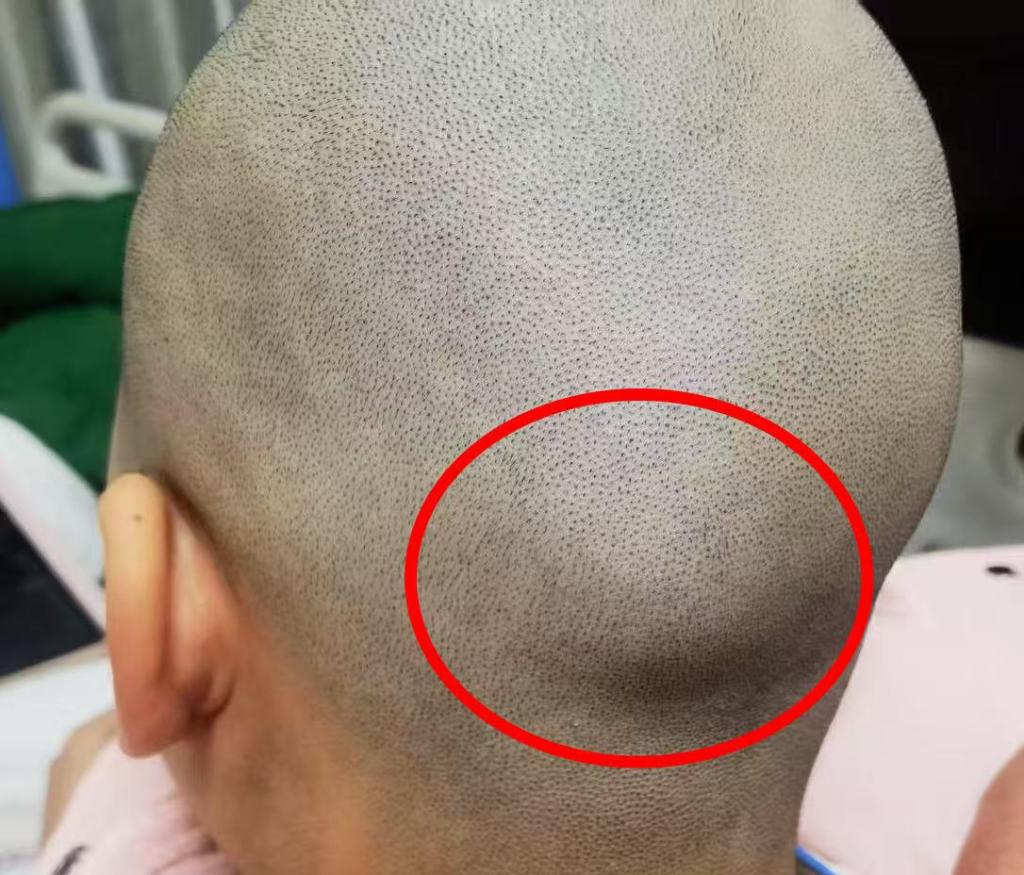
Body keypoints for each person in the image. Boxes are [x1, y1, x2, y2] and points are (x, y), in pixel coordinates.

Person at [41, 0, 963, 872]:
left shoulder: (106, 820)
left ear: (155, 631)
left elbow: (94, 768)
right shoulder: (965, 768)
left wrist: (87, 801)